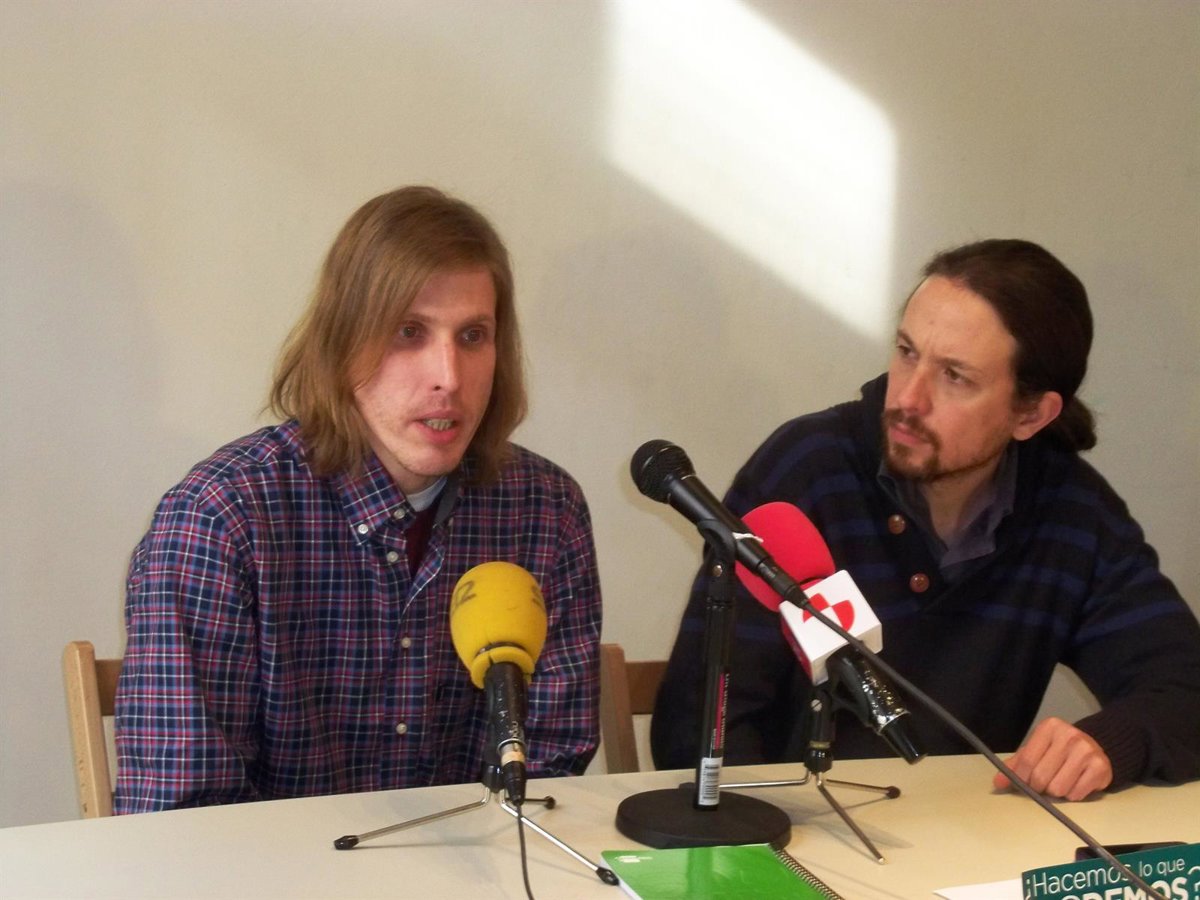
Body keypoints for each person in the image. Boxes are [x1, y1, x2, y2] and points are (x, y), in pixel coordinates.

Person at [651, 239, 1200, 801]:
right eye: (907, 353)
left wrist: (1111, 744)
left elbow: (1183, 684)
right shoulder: (806, 473)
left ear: (1032, 413)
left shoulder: (1071, 511)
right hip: (794, 828)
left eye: (955, 377)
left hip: (970, 838)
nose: (908, 400)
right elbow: (699, 725)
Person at [114, 186, 602, 813]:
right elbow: (182, 816)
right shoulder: (219, 519)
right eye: (409, 332)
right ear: (343, 344)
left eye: (473, 336)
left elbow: (551, 777)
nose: (448, 377)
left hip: (479, 865)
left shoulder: (545, 510)